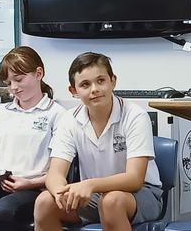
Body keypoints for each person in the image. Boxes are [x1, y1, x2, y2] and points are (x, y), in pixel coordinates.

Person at [33, 52, 162, 231]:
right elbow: (55, 173)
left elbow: (135, 179)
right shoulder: (69, 119)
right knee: (44, 202)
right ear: (73, 91)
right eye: (85, 84)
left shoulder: (135, 116)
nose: (94, 89)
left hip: (141, 194)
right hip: (94, 195)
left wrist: (89, 184)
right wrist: (59, 192)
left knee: (111, 201)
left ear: (113, 81)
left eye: (100, 81)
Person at [0, 46, 66, 231]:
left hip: (34, 187)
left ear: (38, 73)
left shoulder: (57, 114)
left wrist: (30, 183)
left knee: (4, 210)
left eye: (18, 80)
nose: (14, 88)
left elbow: (59, 171)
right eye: (9, 83)